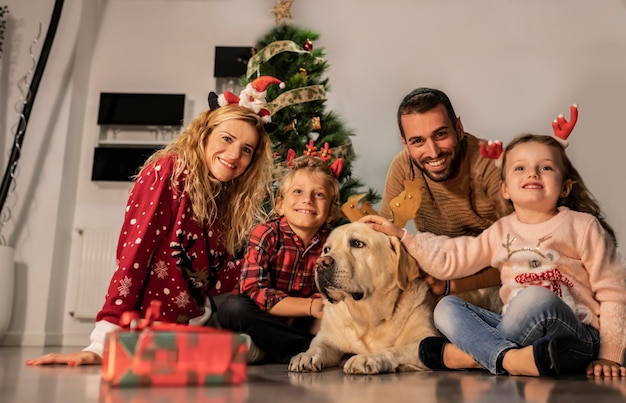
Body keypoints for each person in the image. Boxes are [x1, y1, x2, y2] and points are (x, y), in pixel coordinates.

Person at [26, 94, 276, 366]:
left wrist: (263, 259)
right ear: (205, 133)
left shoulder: (222, 196)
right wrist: (101, 342)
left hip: (193, 324)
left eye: (247, 149)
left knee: (247, 347)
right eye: (227, 139)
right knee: (245, 350)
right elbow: (134, 255)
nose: (234, 155)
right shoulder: (167, 171)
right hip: (149, 328)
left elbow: (210, 277)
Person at [362, 133, 626, 378]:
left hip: (576, 335)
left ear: (566, 187)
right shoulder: (501, 230)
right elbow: (450, 261)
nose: (532, 173)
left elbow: (613, 291)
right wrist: (402, 235)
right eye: (520, 168)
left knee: (534, 296)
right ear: (505, 189)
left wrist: (610, 356)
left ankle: (472, 354)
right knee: (446, 307)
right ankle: (511, 359)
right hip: (523, 334)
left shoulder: (582, 226)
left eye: (545, 167)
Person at [380, 87, 512, 307]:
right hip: (439, 276)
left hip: (497, 279)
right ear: (405, 143)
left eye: (440, 135)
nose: (433, 152)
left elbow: (523, 251)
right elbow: (386, 241)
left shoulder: (491, 164)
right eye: (418, 141)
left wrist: (452, 286)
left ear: (459, 129)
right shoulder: (403, 168)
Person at [217, 155, 342, 364]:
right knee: (232, 308)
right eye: (298, 191)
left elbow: (329, 296)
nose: (307, 200)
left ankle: (269, 349)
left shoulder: (331, 244)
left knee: (338, 312)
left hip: (300, 323)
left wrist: (319, 311)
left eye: (319, 194)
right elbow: (255, 290)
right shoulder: (266, 233)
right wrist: (310, 307)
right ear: (280, 205)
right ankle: (305, 349)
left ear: (330, 213)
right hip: (262, 317)